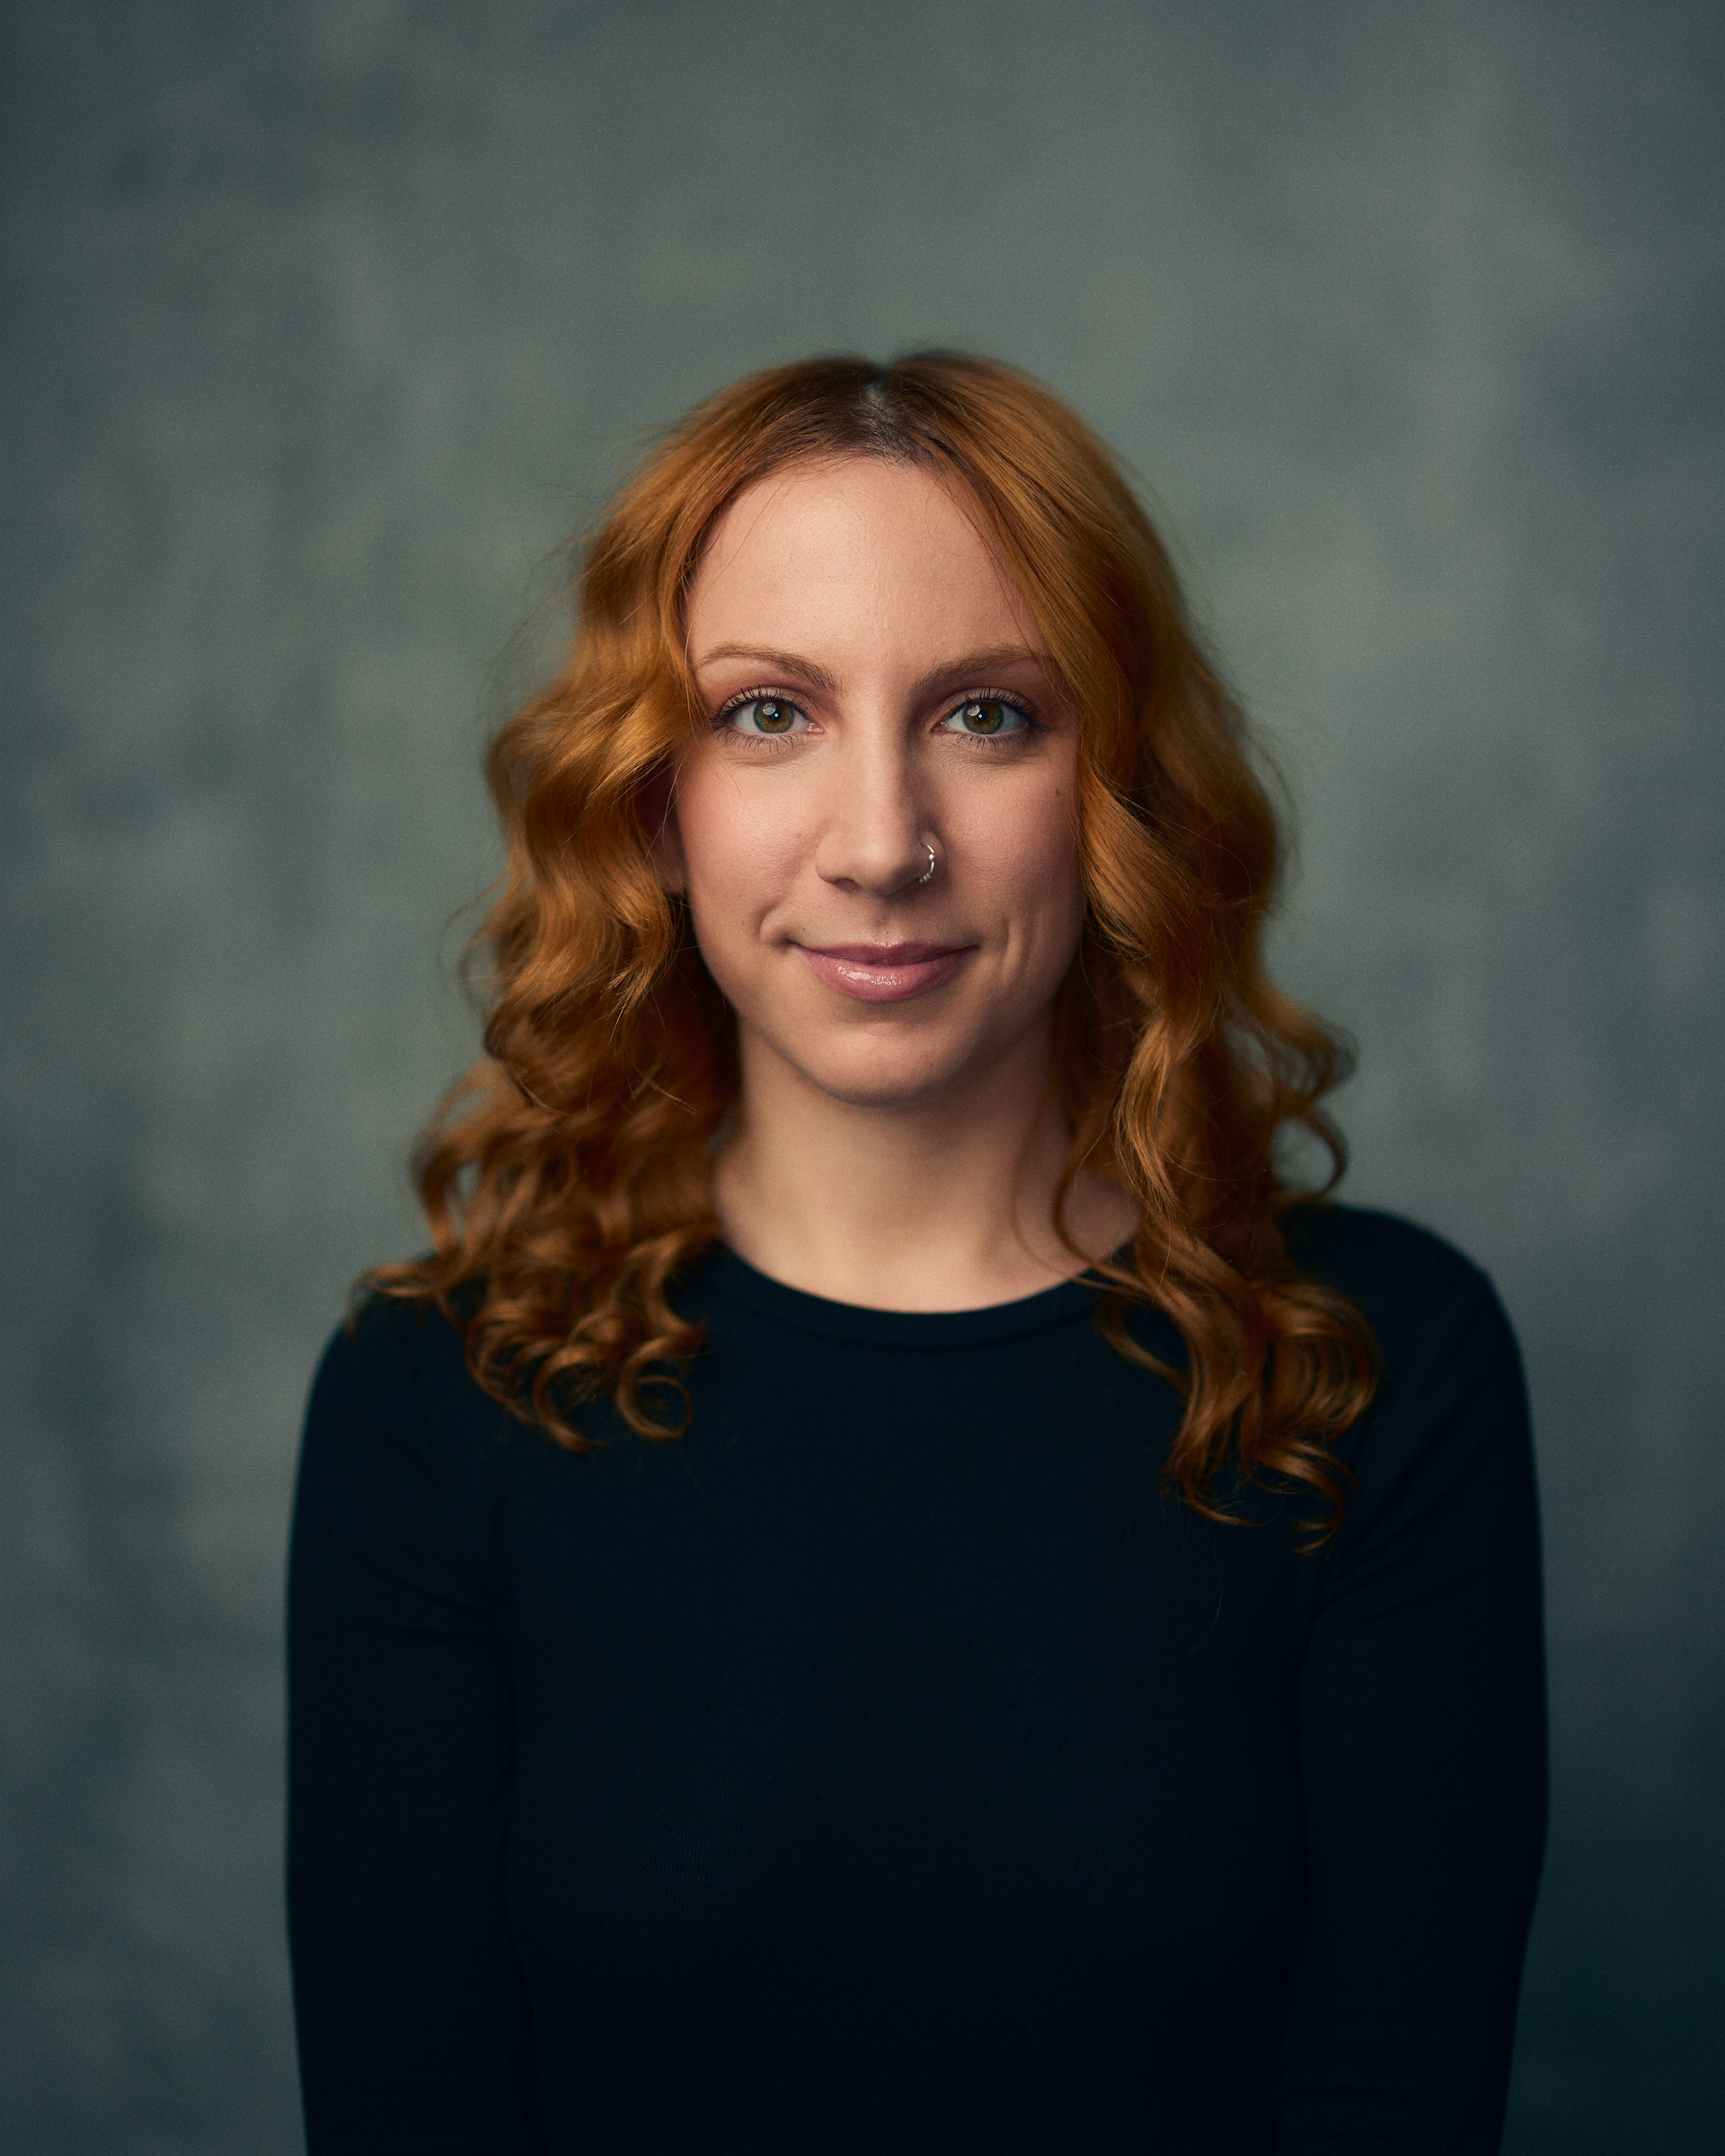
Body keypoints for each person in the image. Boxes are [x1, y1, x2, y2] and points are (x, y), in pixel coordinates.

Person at [287, 353, 1545, 2154]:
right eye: (768, 714)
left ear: (1118, 789)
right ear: (650, 805)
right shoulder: (435, 1404)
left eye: (987, 715)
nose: (881, 846)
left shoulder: (1376, 1365)